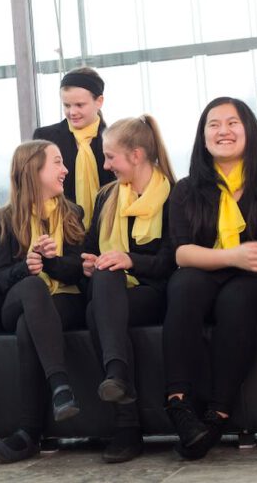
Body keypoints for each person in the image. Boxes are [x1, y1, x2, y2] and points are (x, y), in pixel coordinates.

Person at [162, 96, 257, 459]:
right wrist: (231, 256)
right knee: (183, 285)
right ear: (203, 138)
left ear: (248, 129)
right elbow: (182, 254)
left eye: (232, 123)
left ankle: (217, 412)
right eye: (213, 125)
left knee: (238, 298)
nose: (223, 131)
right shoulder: (186, 188)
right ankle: (179, 405)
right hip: (204, 273)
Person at [82, 115, 176, 462]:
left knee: (100, 305)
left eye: (110, 157)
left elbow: (172, 259)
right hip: (113, 292)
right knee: (103, 284)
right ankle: (117, 376)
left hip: (156, 291)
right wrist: (89, 262)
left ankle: (126, 423)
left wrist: (130, 260)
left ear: (136, 155)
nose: (106, 166)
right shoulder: (107, 197)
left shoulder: (174, 194)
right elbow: (90, 248)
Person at [0, 140, 86, 463]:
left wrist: (52, 260)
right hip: (18, 298)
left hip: (62, 302)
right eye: (57, 163)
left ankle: (28, 433)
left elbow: (78, 273)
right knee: (32, 288)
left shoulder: (73, 213)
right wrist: (26, 265)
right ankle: (59, 383)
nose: (65, 170)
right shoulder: (1, 219)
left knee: (29, 326)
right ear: (34, 170)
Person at [33, 67, 115, 228]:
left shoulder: (115, 140)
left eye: (79, 105)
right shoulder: (45, 138)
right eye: (67, 105)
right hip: (58, 230)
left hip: (108, 229)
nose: (72, 112)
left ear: (99, 101)